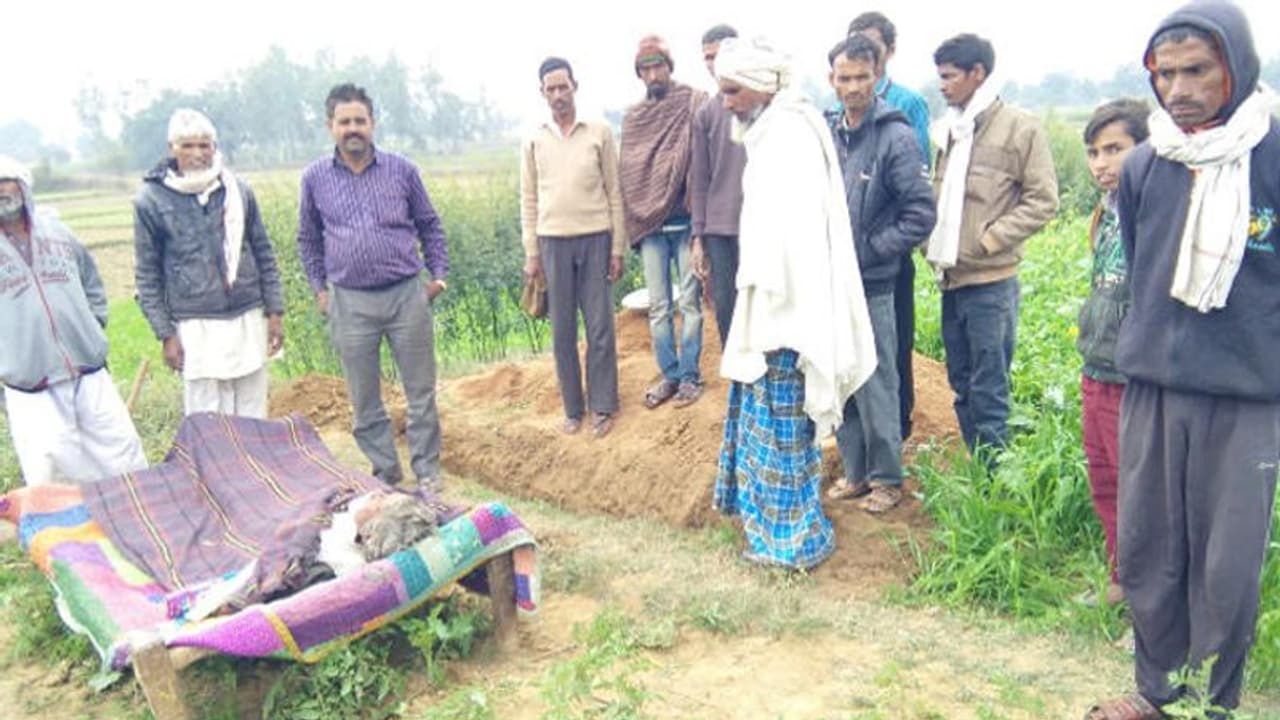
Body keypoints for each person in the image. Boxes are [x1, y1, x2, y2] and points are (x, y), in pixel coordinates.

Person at [1086, 3, 1280, 718]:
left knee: (1226, 566)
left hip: (1248, 394)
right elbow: (1144, 271)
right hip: (1155, 389)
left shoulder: (1275, 154)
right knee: (1150, 551)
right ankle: (1155, 693)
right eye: (1165, 74)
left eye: (1197, 69)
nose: (1178, 89)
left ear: (1236, 65)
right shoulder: (1145, 167)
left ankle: (1212, 702)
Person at [711, 36, 877, 570]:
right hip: (770, 309)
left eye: (732, 90)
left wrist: (780, 319)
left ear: (761, 85)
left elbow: (797, 242)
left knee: (784, 434)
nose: (726, 102)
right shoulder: (771, 131)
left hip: (788, 317)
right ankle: (772, 536)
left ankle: (791, 544)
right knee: (772, 431)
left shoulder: (789, 136)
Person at [297, 83, 449, 489]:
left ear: (372, 124)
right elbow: (308, 240)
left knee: (420, 394)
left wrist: (438, 276)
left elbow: (430, 225)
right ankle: (385, 472)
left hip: (406, 295)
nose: (353, 129)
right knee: (364, 401)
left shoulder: (402, 170)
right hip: (349, 302)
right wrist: (321, 291)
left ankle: (427, 473)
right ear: (331, 126)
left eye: (360, 121)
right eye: (344, 121)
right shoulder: (315, 179)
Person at [926, 33, 1058, 464]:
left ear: (977, 74)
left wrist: (989, 240)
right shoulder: (950, 131)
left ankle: (997, 479)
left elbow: (1043, 200)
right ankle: (978, 468)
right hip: (952, 278)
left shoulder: (1020, 128)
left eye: (949, 77)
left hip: (991, 282)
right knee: (962, 381)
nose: (942, 86)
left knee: (989, 387)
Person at [823, 34, 936, 515]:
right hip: (831, 284)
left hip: (873, 283)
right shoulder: (828, 134)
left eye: (861, 77)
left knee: (877, 379)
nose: (852, 87)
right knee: (840, 379)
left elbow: (919, 212)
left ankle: (888, 479)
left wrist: (872, 250)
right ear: (831, 79)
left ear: (877, 77)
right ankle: (854, 472)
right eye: (843, 77)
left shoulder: (896, 135)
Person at [0, 156, 147, 485]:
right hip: (30, 384)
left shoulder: (58, 232)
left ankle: (137, 523)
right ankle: (71, 534)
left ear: (23, 186)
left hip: (87, 369)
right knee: (51, 468)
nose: (1, 191)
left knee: (120, 452)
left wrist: (92, 329)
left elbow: (91, 281)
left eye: (6, 181)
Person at [134, 109, 285, 418]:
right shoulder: (151, 200)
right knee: (207, 413)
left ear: (214, 148)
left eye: (204, 146)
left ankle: (251, 467)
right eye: (187, 146)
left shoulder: (237, 190)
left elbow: (263, 253)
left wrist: (275, 312)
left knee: (252, 408)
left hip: (246, 313)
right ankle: (215, 467)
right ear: (171, 149)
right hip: (194, 322)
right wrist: (166, 334)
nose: (197, 154)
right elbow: (147, 276)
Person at [520, 57, 625, 438]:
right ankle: (572, 408)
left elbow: (614, 191)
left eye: (564, 87)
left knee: (600, 327)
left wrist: (617, 248)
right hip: (552, 244)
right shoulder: (534, 138)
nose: (559, 95)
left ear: (575, 86)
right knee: (562, 330)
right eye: (552, 89)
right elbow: (528, 198)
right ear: (543, 93)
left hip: (596, 237)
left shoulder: (598, 131)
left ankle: (602, 406)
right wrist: (532, 253)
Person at [1074, 98, 1149, 609]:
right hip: (1096, 367)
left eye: (1115, 149)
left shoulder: (1154, 213)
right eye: (1094, 152)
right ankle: (1120, 582)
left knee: (1140, 492)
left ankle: (1151, 603)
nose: (1102, 163)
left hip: (1135, 378)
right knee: (1105, 480)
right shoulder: (1105, 215)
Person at [848, 11, 933, 441]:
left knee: (894, 339)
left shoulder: (906, 105)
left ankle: (898, 427)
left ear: (888, 52)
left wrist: (883, 243)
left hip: (888, 250)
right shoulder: (839, 115)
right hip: (852, 259)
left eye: (871, 44)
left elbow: (918, 181)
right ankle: (863, 435)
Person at [620, 35, 708, 409]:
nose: (653, 73)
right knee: (659, 307)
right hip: (651, 227)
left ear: (670, 67)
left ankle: (690, 375)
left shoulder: (693, 103)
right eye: (646, 68)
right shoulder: (635, 118)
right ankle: (669, 374)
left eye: (659, 65)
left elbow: (701, 162)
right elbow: (631, 172)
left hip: (686, 223)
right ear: (639, 74)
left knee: (690, 303)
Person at [690, 23, 747, 349]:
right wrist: (699, 237)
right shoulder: (707, 114)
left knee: (764, 305)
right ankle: (739, 388)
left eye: (719, 55)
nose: (713, 63)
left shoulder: (764, 106)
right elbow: (700, 179)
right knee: (727, 308)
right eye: (708, 57)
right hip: (720, 228)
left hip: (760, 224)